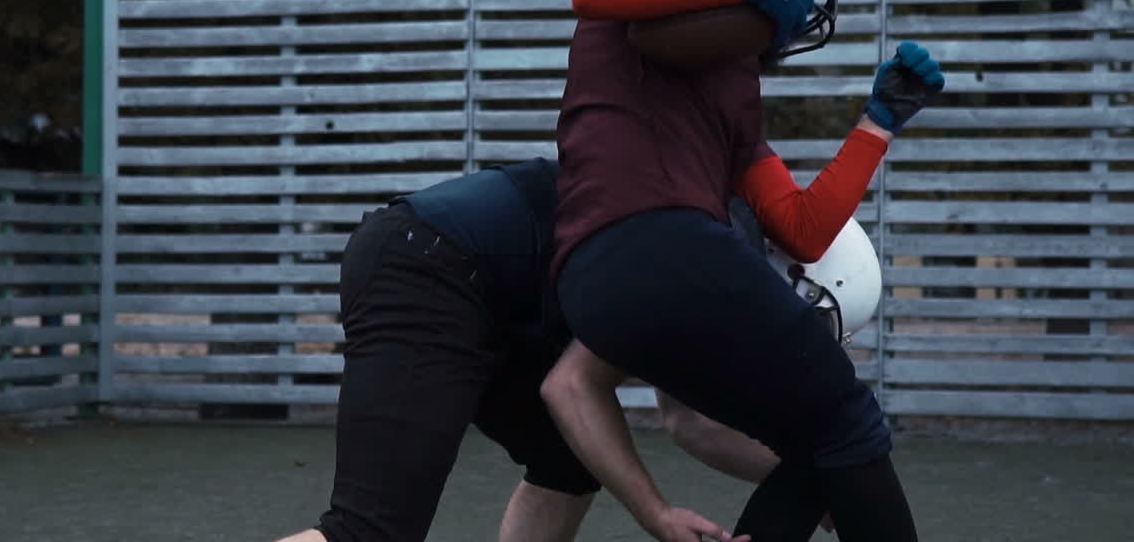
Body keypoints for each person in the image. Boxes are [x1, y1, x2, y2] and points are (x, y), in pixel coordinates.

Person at [541, 0, 945, 542]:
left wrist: (880, 122)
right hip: (663, 243)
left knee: (817, 443)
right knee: (847, 423)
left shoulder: (725, 100)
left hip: (597, 285)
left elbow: (803, 230)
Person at [276, 159, 803, 542]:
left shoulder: (719, 226)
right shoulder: (714, 251)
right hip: (429, 264)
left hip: (481, 285)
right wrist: (658, 514)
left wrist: (812, 476)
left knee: (566, 461)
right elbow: (574, 387)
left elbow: (688, 418)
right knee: (371, 531)